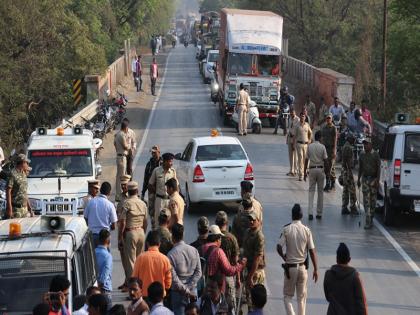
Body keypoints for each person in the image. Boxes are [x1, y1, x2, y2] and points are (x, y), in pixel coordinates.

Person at [277, 204, 319, 315]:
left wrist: (284, 257)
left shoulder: (286, 229)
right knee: (301, 298)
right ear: (301, 216)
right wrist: (315, 269)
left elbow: (278, 247)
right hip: (302, 268)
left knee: (287, 297)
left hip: (290, 269)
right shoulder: (306, 230)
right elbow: (312, 251)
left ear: (292, 215)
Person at [118, 181, 148, 291]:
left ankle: (133, 288)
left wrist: (120, 237)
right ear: (137, 191)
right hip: (141, 232)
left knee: (131, 262)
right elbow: (146, 221)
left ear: (128, 191)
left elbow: (122, 223)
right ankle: (139, 285)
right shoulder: (143, 203)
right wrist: (143, 232)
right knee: (139, 261)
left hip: (130, 233)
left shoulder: (127, 203)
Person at [324, 243, 368, 315]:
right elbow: (361, 303)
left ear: (336, 259)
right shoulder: (355, 277)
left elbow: (328, 297)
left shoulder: (328, 274)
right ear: (349, 259)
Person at [167, 223, 202, 315]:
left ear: (172, 235)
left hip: (178, 293)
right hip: (192, 291)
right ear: (183, 234)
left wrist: (186, 291)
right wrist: (189, 289)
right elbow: (199, 273)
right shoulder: (194, 250)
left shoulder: (170, 255)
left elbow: (174, 280)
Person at [201, 225, 246, 293]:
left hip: (203, 289)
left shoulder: (201, 249)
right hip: (215, 290)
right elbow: (229, 270)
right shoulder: (218, 252)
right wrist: (241, 265)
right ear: (218, 239)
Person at [132, 230, 172, 299]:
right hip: (160, 295)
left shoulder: (140, 258)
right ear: (159, 244)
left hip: (145, 295)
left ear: (147, 243)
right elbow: (168, 283)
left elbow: (135, 278)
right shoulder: (165, 259)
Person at [215, 211, 240, 311]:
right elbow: (235, 261)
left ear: (216, 223)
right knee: (231, 307)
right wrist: (238, 279)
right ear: (227, 223)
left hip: (216, 278)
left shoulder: (213, 237)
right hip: (229, 277)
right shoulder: (232, 238)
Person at [242, 212, 265, 311]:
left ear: (258, 222)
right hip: (248, 268)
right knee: (248, 298)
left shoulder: (259, 236)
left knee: (254, 301)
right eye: (250, 219)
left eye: (253, 220)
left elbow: (257, 258)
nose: (251, 222)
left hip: (254, 271)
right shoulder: (247, 231)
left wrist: (250, 276)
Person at [148, 153, 177, 229]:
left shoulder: (173, 172)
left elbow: (176, 186)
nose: (171, 163)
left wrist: (176, 198)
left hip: (169, 200)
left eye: (171, 161)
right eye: (170, 161)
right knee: (158, 223)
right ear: (164, 162)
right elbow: (150, 185)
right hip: (159, 200)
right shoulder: (156, 171)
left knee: (169, 222)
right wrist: (156, 192)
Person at [84, 182, 117, 246]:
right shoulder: (110, 205)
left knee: (93, 255)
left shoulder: (91, 202)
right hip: (104, 237)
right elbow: (114, 226)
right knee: (105, 255)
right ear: (109, 193)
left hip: (92, 236)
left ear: (100, 190)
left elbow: (85, 218)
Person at [304, 131, 328, 220]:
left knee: (311, 192)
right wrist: (327, 172)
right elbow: (326, 160)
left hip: (312, 169)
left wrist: (304, 172)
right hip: (320, 170)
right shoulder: (322, 147)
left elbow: (306, 160)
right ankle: (319, 213)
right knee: (320, 192)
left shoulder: (310, 146)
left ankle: (310, 212)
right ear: (320, 137)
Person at [357, 138, 380, 229]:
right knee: (366, 201)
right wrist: (358, 179)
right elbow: (360, 168)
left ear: (370, 145)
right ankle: (367, 220)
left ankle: (371, 218)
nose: (365, 145)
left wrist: (377, 180)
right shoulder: (362, 154)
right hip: (365, 179)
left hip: (373, 180)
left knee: (373, 201)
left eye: (366, 144)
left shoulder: (375, 155)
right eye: (364, 144)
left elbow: (379, 168)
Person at [6, 153, 33, 218]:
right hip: (16, 209)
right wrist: (9, 209)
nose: (27, 165)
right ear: (23, 162)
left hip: (24, 209)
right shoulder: (12, 174)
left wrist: (30, 208)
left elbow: (24, 192)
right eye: (27, 163)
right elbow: (8, 192)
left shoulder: (23, 174)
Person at [142, 145, 162, 223]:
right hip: (152, 192)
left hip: (161, 191)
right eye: (152, 153)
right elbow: (146, 179)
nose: (153, 154)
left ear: (159, 152)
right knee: (151, 211)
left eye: (155, 152)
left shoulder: (163, 163)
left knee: (161, 211)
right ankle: (154, 226)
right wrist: (143, 192)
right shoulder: (149, 165)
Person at [95, 229, 113, 308]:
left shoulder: (93, 251)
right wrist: (99, 289)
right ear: (108, 241)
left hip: (94, 289)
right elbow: (104, 277)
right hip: (104, 290)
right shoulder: (108, 256)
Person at [341, 134, 358, 215]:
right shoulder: (348, 148)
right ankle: (353, 207)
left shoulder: (345, 146)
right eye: (353, 139)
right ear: (350, 139)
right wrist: (350, 171)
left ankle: (344, 206)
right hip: (348, 170)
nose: (354, 141)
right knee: (352, 189)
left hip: (345, 170)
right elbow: (348, 161)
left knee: (345, 189)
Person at [293, 112, 312, 181]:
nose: (302, 118)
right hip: (299, 144)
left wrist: (309, 140)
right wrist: (293, 145)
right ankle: (301, 175)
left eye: (303, 116)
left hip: (306, 145)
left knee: (305, 159)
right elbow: (294, 136)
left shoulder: (307, 125)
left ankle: (305, 172)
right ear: (300, 117)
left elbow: (310, 133)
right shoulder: (297, 125)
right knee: (300, 159)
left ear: (305, 117)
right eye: (301, 116)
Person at [321, 114, 337, 192]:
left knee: (331, 167)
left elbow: (335, 140)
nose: (328, 119)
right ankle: (328, 184)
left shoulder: (334, 128)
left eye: (329, 118)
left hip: (331, 149)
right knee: (326, 167)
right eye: (327, 118)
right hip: (325, 149)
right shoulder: (324, 128)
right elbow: (322, 139)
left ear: (331, 119)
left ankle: (331, 184)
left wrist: (334, 150)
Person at [114, 120, 130, 202]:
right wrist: (129, 142)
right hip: (122, 157)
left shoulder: (117, 134)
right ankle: (120, 195)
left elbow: (114, 144)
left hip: (119, 155)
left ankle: (118, 194)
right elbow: (126, 146)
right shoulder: (121, 135)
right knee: (122, 177)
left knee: (119, 176)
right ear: (126, 127)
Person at [286, 109, 300, 176]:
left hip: (295, 139)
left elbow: (297, 130)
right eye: (291, 113)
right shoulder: (289, 119)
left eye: (293, 113)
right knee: (290, 155)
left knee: (295, 155)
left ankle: (295, 170)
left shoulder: (298, 119)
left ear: (295, 113)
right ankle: (291, 170)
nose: (292, 114)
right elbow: (289, 129)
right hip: (289, 138)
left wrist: (294, 135)